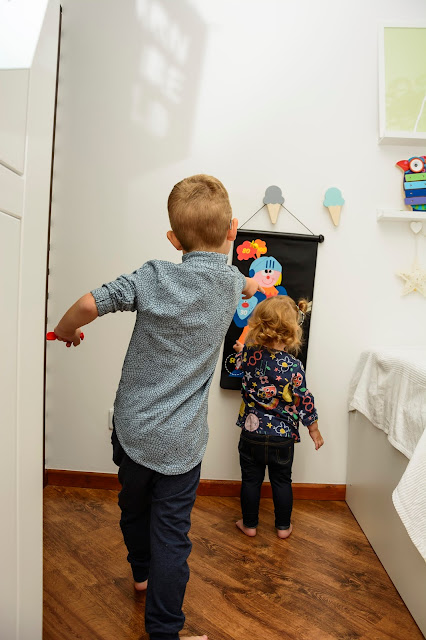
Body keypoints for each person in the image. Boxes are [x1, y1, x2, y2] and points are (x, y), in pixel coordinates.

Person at [51, 174, 264, 640]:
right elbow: (248, 285)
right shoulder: (231, 283)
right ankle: (165, 631)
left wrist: (66, 331)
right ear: (233, 229)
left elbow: (89, 303)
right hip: (182, 442)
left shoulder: (153, 276)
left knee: (132, 507)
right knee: (172, 534)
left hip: (132, 430)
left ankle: (141, 572)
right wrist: (256, 287)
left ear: (173, 239)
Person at [233, 295, 324, 539]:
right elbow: (304, 399)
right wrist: (313, 428)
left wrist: (241, 350)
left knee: (250, 481)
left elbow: (238, 363)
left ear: (260, 325)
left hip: (251, 434)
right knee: (282, 481)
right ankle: (283, 527)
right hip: (282, 437)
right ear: (292, 331)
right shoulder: (294, 366)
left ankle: (250, 525)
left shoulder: (249, 355)